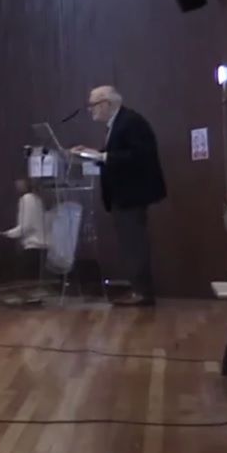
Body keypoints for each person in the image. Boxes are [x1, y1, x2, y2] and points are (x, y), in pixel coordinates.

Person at [72, 85, 166, 306]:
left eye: (93, 105)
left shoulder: (130, 122)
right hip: (122, 196)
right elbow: (117, 156)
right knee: (129, 244)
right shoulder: (117, 124)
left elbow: (138, 156)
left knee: (134, 244)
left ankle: (142, 293)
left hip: (132, 195)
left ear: (106, 103)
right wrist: (91, 155)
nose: (90, 110)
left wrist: (102, 156)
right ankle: (138, 290)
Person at [0, 179, 48, 281]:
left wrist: (8, 234)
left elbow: (26, 226)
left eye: (19, 182)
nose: (16, 185)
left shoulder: (27, 199)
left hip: (32, 246)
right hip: (40, 246)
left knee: (27, 281)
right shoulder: (37, 199)